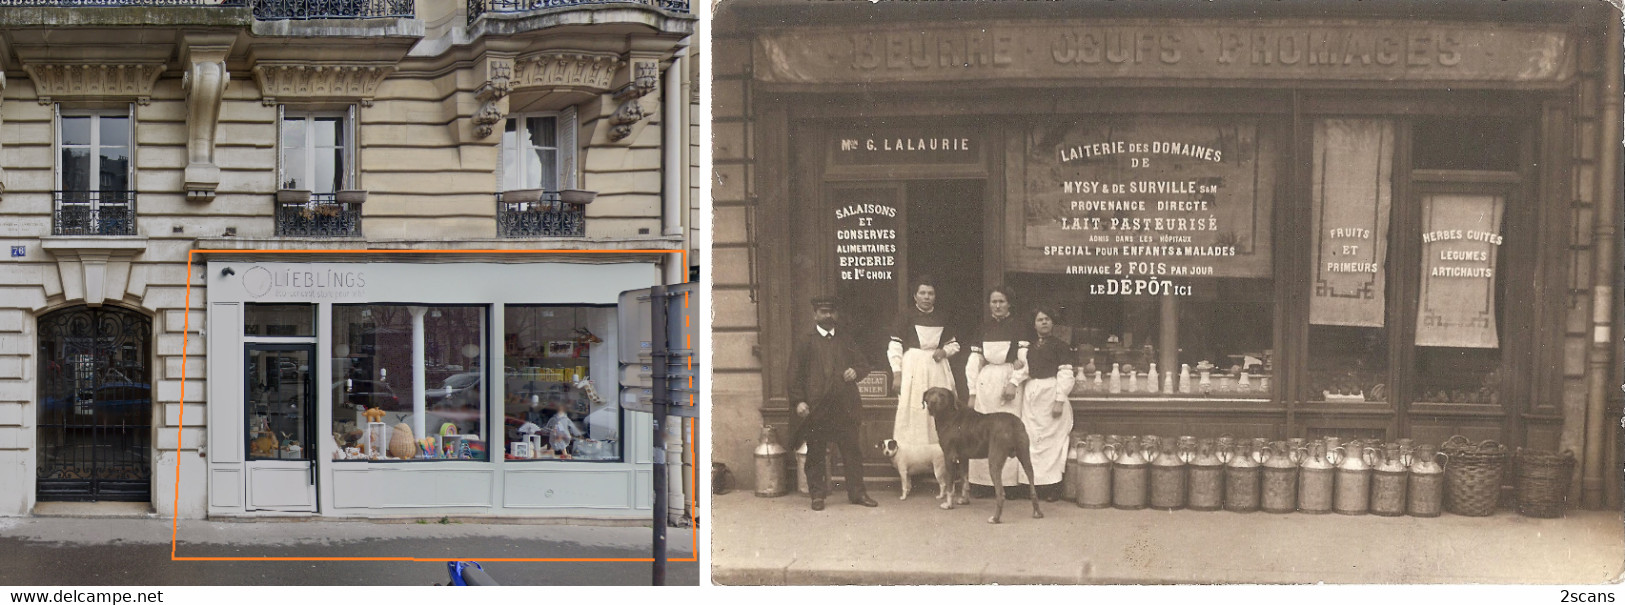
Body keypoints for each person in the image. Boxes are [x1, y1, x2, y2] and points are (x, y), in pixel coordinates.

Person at [787, 296, 878, 511]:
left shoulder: (846, 339)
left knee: (852, 452)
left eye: (831, 312)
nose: (827, 316)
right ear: (815, 315)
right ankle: (817, 495)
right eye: (823, 312)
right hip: (817, 408)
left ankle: (857, 493)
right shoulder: (805, 341)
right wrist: (798, 401)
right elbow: (793, 375)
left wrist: (856, 371)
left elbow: (864, 364)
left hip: (845, 406)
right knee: (816, 452)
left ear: (836, 315)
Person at [966, 286, 1029, 494]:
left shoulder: (1019, 327)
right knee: (983, 431)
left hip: (1007, 383)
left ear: (1009, 303)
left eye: (1002, 301)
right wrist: (972, 392)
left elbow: (1023, 359)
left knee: (1005, 432)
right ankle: (982, 483)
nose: (998, 305)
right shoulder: (983, 328)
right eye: (994, 302)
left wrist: (1014, 381)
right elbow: (974, 361)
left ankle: (1009, 485)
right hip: (986, 383)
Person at [888, 277, 959, 448]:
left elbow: (953, 344)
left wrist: (944, 351)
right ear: (915, 296)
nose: (926, 297)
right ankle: (914, 457)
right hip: (914, 367)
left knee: (940, 407)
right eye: (923, 293)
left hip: (937, 367)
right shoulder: (905, 316)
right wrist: (897, 373)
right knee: (915, 407)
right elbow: (895, 345)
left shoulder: (942, 317)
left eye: (930, 293)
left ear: (935, 296)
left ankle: (940, 456)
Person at [1022, 306, 1076, 501]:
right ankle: (1033, 485)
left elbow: (1066, 374)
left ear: (1052, 323)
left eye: (1047, 319)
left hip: (1051, 394)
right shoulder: (1029, 347)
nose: (1044, 322)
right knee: (1032, 439)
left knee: (1051, 442)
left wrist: (1059, 400)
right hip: (1032, 396)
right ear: (1034, 324)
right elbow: (1024, 370)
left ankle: (1052, 487)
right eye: (1039, 319)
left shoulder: (1061, 346)